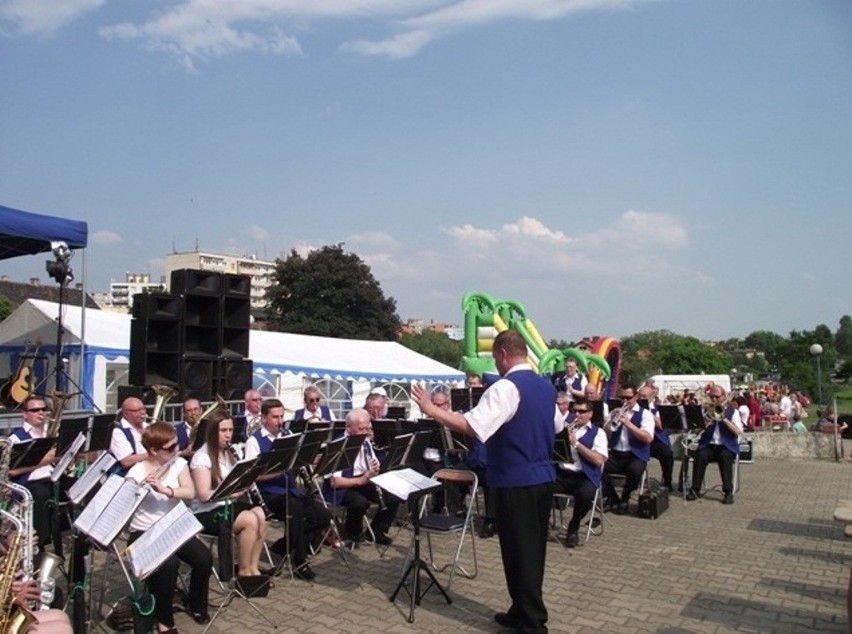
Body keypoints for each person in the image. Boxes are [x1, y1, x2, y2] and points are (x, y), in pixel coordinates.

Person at [413, 329, 562, 633]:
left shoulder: (506, 388)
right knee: (530, 549)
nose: (497, 364)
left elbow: (472, 425)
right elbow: (557, 425)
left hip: (516, 479)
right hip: (542, 477)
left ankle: (533, 622)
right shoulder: (545, 387)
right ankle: (521, 608)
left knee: (519, 550)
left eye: (496, 358)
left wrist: (431, 410)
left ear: (503, 354)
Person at [126, 422, 211, 631]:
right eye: (171, 447)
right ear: (154, 450)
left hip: (174, 527)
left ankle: (196, 603)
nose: (177, 450)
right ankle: (164, 621)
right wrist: (138, 489)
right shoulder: (136, 473)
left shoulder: (178, 464)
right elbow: (125, 510)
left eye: (177, 445)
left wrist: (166, 490)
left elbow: (190, 493)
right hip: (144, 532)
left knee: (203, 558)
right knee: (168, 565)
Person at [243, 399, 331, 581]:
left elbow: (299, 462)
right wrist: (279, 469)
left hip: (291, 491)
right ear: (264, 418)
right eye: (275, 417)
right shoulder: (254, 441)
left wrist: (307, 460)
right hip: (269, 494)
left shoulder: (288, 434)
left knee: (323, 516)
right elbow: (253, 476)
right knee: (296, 509)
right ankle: (299, 561)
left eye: (282, 416)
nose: (280, 421)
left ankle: (284, 545)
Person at [190, 411, 268, 577]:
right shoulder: (201, 457)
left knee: (261, 515)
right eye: (223, 430)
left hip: (226, 504)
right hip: (206, 512)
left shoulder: (231, 452)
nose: (228, 435)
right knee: (250, 520)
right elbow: (204, 496)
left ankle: (254, 568)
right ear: (212, 432)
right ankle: (243, 571)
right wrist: (232, 494)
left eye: (230, 430)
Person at [323, 409, 400, 547]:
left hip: (363, 479)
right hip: (342, 486)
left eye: (367, 428)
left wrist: (374, 469)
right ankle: (352, 533)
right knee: (360, 502)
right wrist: (361, 480)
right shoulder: (338, 445)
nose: (365, 432)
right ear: (348, 427)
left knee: (394, 495)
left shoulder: (365, 441)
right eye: (361, 429)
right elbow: (335, 482)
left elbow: (372, 466)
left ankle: (376, 531)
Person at [8, 395, 58, 559]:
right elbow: (12, 471)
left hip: (53, 478)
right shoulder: (16, 438)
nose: (41, 413)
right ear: (25, 414)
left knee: (78, 490)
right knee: (41, 494)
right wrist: (46, 459)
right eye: (35, 410)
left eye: (44, 409)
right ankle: (41, 545)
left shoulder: (50, 433)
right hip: (30, 483)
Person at [553, 396, 608, 548]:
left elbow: (598, 460)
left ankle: (574, 527)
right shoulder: (565, 428)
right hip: (563, 474)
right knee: (540, 487)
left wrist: (576, 444)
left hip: (585, 476)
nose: (577, 415)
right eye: (575, 411)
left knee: (585, 495)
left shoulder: (598, 433)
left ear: (590, 414)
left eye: (582, 412)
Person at [686, 386, 743, 505]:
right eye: (711, 397)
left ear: (724, 396)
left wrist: (724, 419)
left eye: (717, 397)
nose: (714, 399)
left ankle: (728, 492)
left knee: (725, 457)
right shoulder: (705, 410)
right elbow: (696, 432)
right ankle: (695, 489)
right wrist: (704, 423)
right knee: (700, 455)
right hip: (708, 444)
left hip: (726, 446)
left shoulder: (733, 412)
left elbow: (738, 432)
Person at [602, 386, 654, 515]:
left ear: (636, 397)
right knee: (597, 466)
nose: (625, 401)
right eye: (622, 398)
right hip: (616, 452)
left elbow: (647, 438)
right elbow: (605, 435)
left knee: (635, 470)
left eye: (628, 398)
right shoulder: (615, 411)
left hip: (635, 454)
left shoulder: (645, 414)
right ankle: (613, 497)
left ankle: (625, 498)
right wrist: (609, 424)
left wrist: (629, 424)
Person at [110, 396, 150, 475]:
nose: (142, 413)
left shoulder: (148, 426)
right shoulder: (117, 432)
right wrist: (155, 454)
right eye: (137, 411)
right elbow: (126, 461)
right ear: (126, 414)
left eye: (143, 409)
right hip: (130, 475)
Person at [646, 386, 674, 492]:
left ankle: (667, 481)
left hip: (656, 440)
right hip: (640, 440)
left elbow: (662, 426)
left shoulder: (658, 408)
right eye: (640, 396)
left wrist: (648, 413)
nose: (642, 399)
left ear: (652, 397)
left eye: (645, 396)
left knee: (667, 454)